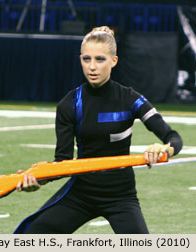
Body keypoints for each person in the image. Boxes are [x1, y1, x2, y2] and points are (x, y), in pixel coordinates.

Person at [14, 26, 183, 234]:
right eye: (87, 59)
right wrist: (40, 179)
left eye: (100, 59)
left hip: (121, 196)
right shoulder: (69, 104)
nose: (92, 67)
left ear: (114, 61)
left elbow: (173, 137)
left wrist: (164, 149)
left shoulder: (131, 99)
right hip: (81, 193)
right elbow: (63, 162)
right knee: (29, 237)